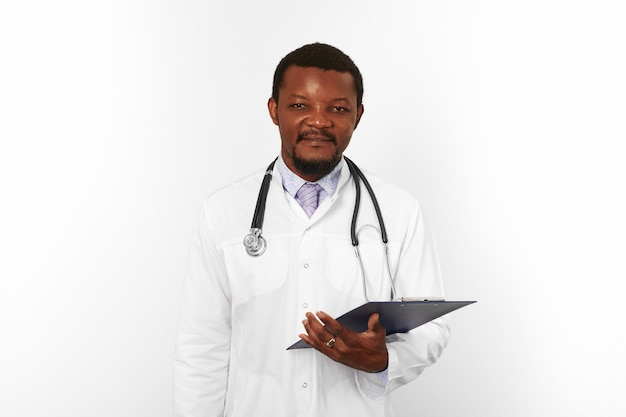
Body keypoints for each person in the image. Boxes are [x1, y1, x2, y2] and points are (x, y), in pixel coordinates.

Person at [174, 42, 450, 417]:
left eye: (337, 108)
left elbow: (430, 330)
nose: (318, 120)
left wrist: (383, 360)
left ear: (358, 115)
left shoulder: (400, 212)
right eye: (300, 105)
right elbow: (201, 348)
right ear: (274, 110)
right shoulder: (222, 213)